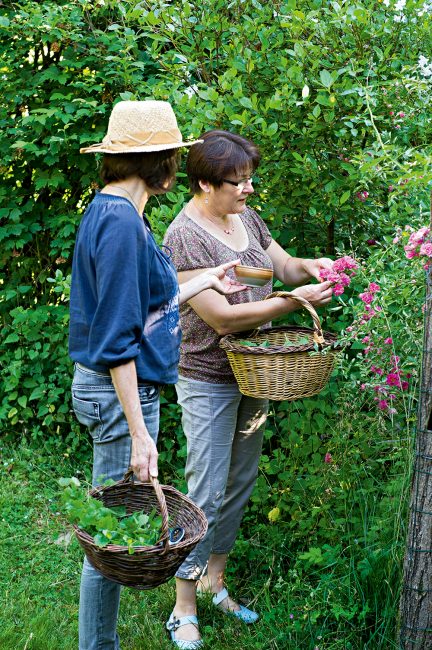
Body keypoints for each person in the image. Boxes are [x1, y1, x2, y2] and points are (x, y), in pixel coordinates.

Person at [69, 103, 246, 650]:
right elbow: (118, 338)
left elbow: (148, 303)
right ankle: (98, 646)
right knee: (113, 540)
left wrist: (205, 279)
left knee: (114, 534)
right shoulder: (122, 224)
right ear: (162, 164)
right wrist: (140, 433)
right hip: (119, 390)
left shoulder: (114, 211)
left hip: (111, 388)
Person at [163, 130, 334, 648]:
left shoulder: (245, 218)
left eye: (249, 179)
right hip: (209, 378)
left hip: (255, 370)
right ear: (203, 183)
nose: (249, 190)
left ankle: (216, 581)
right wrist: (290, 302)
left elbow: (279, 264)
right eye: (238, 183)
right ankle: (182, 604)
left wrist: (311, 268)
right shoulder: (183, 237)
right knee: (205, 490)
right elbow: (222, 318)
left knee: (238, 482)